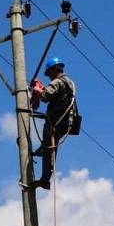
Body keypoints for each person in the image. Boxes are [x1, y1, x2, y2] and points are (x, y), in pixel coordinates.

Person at [30, 56, 77, 189]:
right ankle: (41, 151)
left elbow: (45, 97)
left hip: (55, 123)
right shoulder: (69, 82)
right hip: (65, 123)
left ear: (54, 69)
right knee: (49, 147)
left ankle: (45, 180)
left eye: (49, 73)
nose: (49, 77)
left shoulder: (57, 82)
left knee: (49, 150)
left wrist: (38, 90)